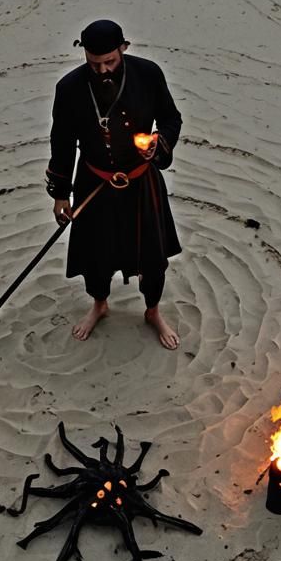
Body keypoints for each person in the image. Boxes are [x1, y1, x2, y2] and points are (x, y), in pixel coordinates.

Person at [46, 19, 183, 349]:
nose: (103, 69)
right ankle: (100, 305)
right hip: (94, 180)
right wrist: (60, 194)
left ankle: (152, 311)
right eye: (95, 63)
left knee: (151, 256)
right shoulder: (69, 88)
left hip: (141, 182)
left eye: (110, 61)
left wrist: (158, 141)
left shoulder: (148, 74)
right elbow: (61, 141)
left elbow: (171, 118)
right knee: (96, 254)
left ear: (123, 48)